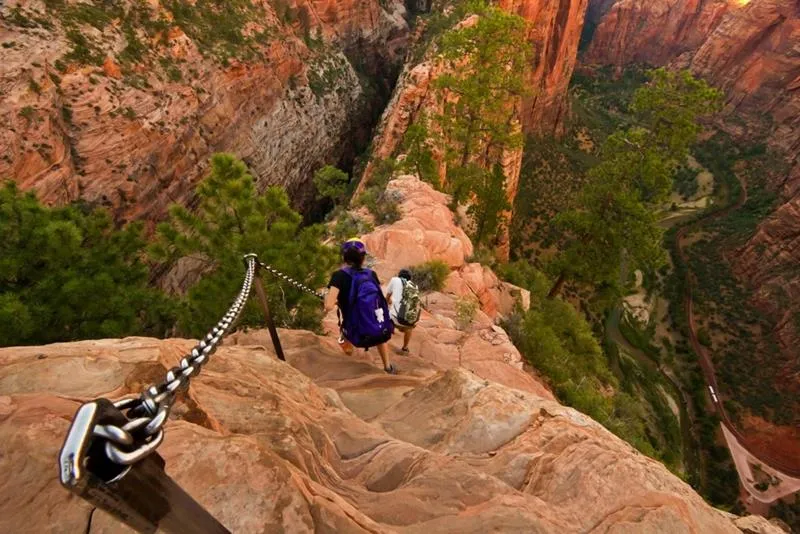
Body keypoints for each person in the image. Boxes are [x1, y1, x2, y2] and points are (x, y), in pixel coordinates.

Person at [324, 238, 396, 374]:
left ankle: (350, 362)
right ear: (363, 258)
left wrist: (326, 298)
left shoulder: (338, 276)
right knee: (377, 324)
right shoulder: (371, 274)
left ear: (344, 258)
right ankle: (388, 367)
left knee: (342, 338)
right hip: (380, 331)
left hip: (355, 333)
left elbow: (328, 306)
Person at [385, 269, 420, 354]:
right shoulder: (414, 286)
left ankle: (383, 340)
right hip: (409, 321)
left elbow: (388, 295)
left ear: (399, 275)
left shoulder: (394, 280)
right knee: (409, 328)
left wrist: (387, 302)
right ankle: (405, 347)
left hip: (395, 319)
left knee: (386, 315)